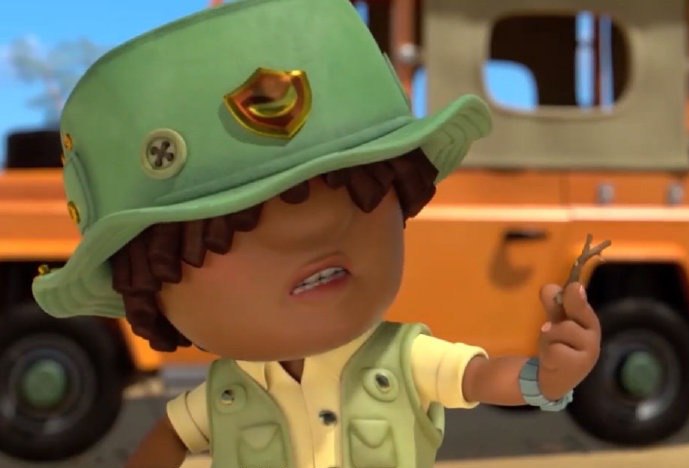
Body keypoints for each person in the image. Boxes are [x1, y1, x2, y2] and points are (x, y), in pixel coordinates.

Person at [31, 0, 602, 467]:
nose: (315, 230)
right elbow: (171, 439)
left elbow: (479, 378)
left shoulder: (402, 357)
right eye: (232, 229)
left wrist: (549, 376)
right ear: (152, 286)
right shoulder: (227, 392)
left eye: (358, 194)